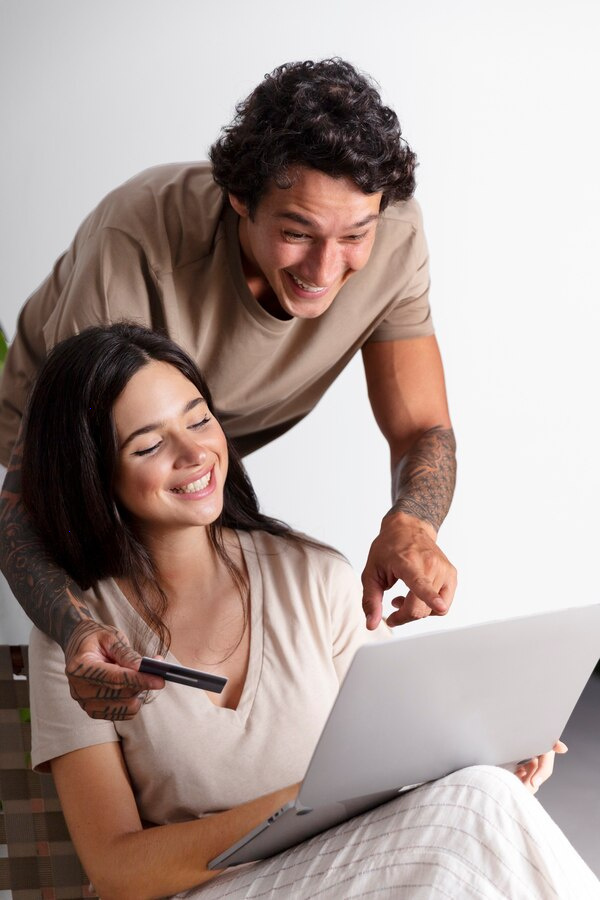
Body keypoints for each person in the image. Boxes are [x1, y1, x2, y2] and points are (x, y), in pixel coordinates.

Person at [25, 324, 597, 900]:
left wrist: (493, 752)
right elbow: (117, 870)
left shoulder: (313, 577)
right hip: (205, 892)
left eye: (199, 421)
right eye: (149, 446)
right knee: (474, 810)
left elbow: (400, 765)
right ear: (93, 472)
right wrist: (302, 805)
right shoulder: (80, 644)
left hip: (352, 877)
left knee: (484, 797)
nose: (195, 454)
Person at [0, 58, 457, 721]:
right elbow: (31, 492)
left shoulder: (395, 233)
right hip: (69, 447)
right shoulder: (136, 242)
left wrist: (413, 524)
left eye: (355, 236)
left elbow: (421, 428)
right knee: (94, 666)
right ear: (239, 198)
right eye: (296, 233)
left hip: (199, 448)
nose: (325, 268)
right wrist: (73, 631)